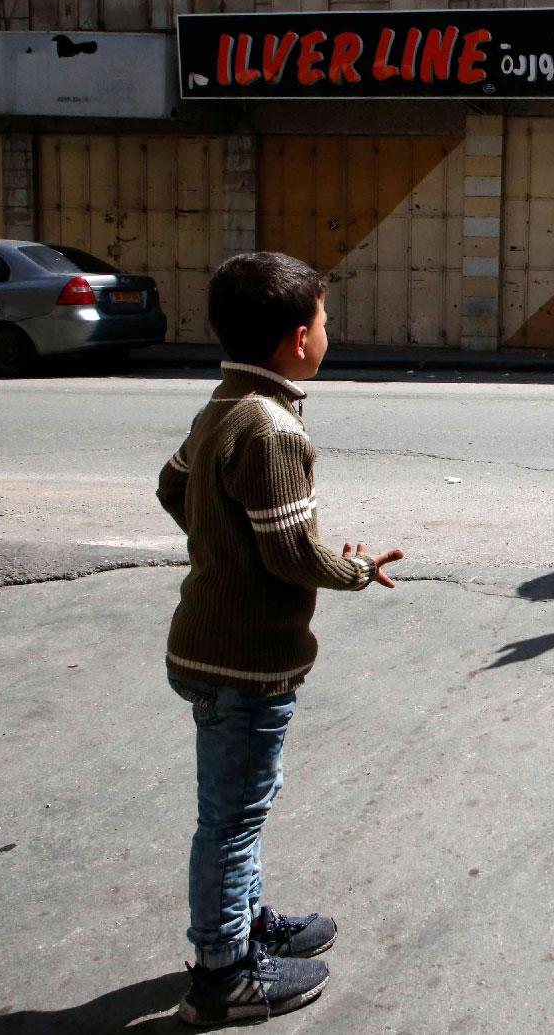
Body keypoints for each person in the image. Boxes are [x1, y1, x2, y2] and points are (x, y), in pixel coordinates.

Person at [156, 251, 404, 1026]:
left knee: (239, 809)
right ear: (300, 338)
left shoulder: (226, 403)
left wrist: (221, 542)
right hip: (246, 657)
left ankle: (246, 923)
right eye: (326, 320)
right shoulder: (274, 428)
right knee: (232, 819)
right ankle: (224, 974)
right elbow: (293, 554)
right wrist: (358, 569)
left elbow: (173, 484)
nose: (330, 332)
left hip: (210, 643)